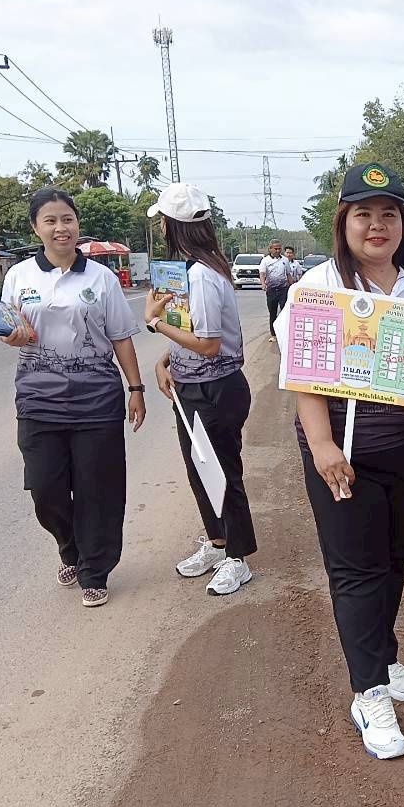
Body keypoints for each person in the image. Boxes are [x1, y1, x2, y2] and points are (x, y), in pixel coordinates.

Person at [276, 162, 404, 760]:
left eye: (389, 214)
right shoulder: (317, 287)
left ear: (403, 223)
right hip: (345, 454)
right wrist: (323, 447)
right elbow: (303, 376)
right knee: (356, 570)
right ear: (344, 221)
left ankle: (382, 656)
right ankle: (369, 692)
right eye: (364, 214)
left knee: (393, 560)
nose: (377, 225)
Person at [0, 188, 146, 609]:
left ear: (77, 224)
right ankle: (70, 547)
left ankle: (94, 570)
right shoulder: (19, 276)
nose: (61, 228)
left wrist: (136, 389)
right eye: (51, 220)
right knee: (45, 488)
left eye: (67, 219)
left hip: (96, 399)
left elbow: (121, 336)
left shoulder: (100, 278)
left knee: (98, 488)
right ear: (36, 228)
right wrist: (11, 337)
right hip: (37, 398)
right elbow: (8, 329)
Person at [145, 182, 258, 596]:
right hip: (191, 387)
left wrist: (155, 322)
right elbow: (192, 337)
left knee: (223, 473)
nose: (160, 226)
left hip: (217, 389)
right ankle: (217, 542)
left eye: (162, 220)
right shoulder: (192, 270)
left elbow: (209, 346)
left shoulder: (204, 277)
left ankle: (238, 560)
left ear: (171, 225)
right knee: (200, 470)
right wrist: (164, 361)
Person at [260, 239, 287, 342]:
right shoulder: (265, 261)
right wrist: (263, 284)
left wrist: (293, 286)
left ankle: (284, 332)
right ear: (270, 249)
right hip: (271, 290)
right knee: (273, 312)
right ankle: (273, 334)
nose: (278, 251)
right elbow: (262, 273)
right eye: (275, 249)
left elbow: (288, 274)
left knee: (284, 311)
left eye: (279, 249)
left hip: (283, 290)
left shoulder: (284, 260)